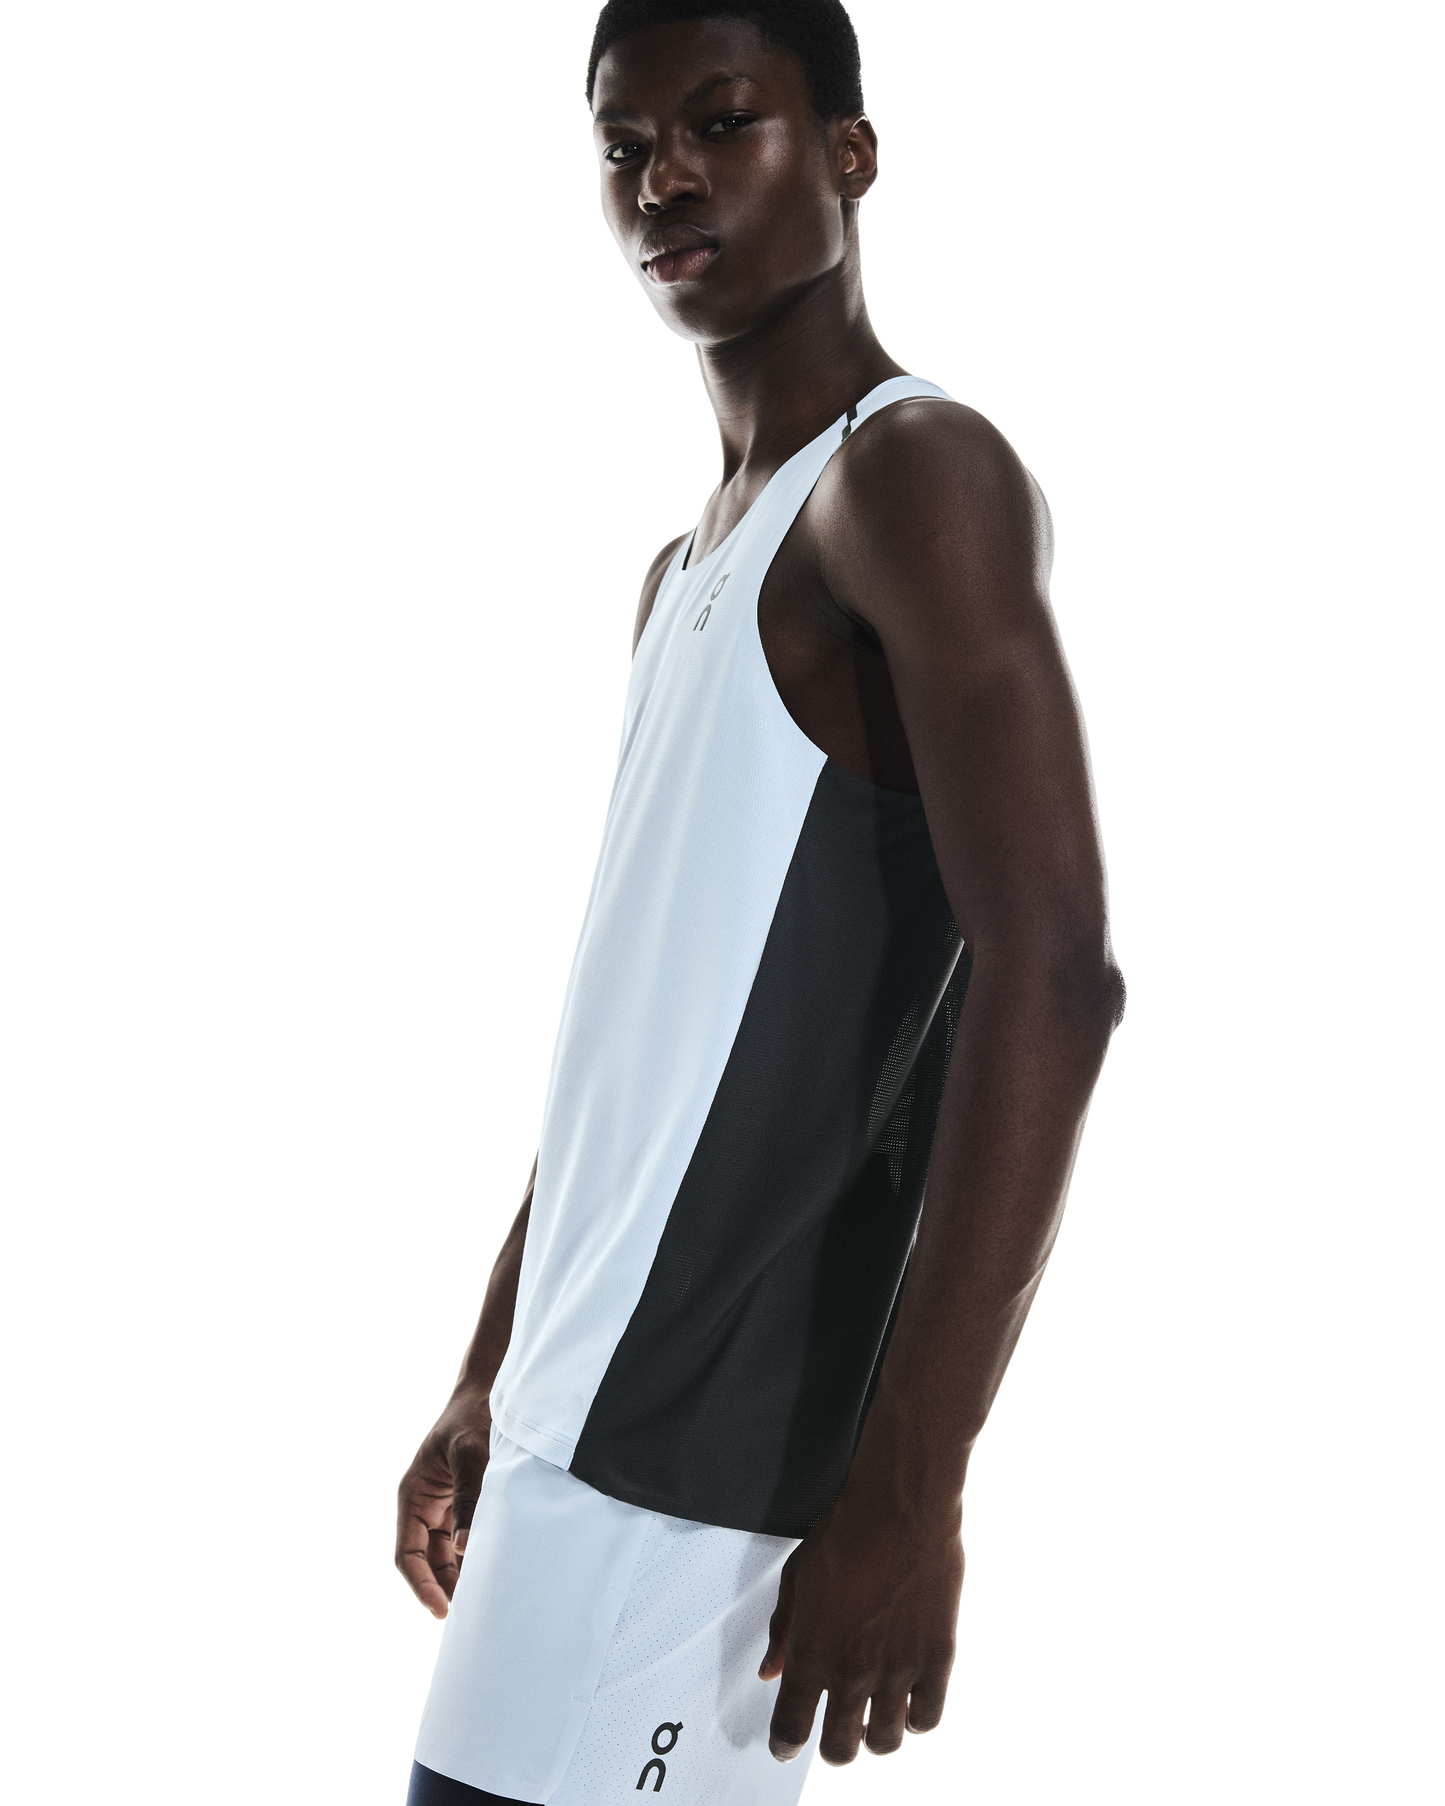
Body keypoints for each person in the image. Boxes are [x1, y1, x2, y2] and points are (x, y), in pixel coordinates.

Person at [394, 2, 1126, 1799]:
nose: (665, 180)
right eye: (623, 146)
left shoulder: (915, 473)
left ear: (853, 151)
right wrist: (490, 1370)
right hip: (571, 1433)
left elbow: (1057, 976)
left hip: (708, 1471)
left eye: (723, 123)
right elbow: (628, 1048)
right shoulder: (683, 565)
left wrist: (914, 1490)